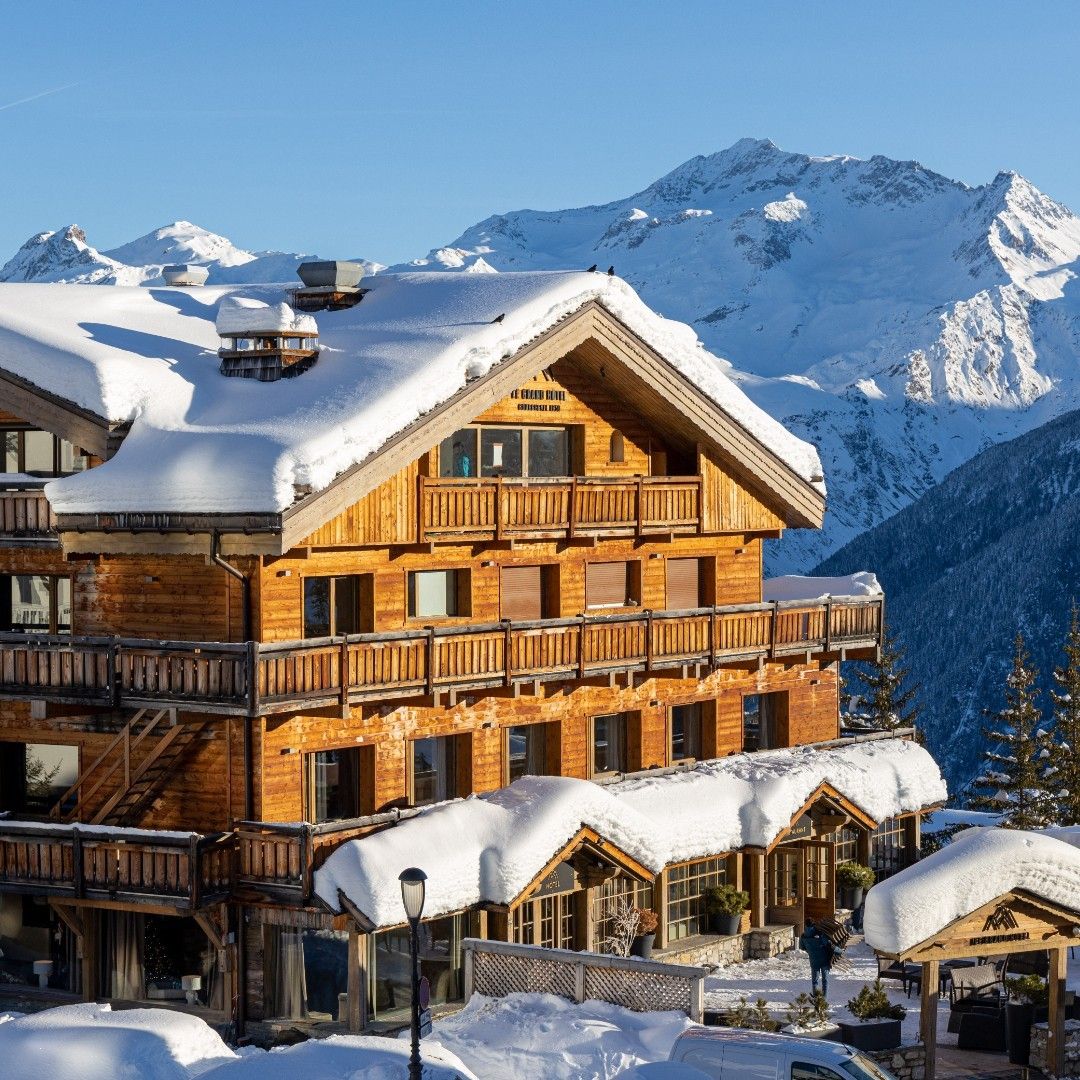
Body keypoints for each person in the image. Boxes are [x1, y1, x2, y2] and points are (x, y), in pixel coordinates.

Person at [799, 920, 835, 996]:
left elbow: (802, 947)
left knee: (815, 981)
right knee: (825, 981)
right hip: (825, 960)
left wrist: (810, 951)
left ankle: (815, 999)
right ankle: (824, 999)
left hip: (814, 961)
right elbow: (829, 945)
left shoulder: (803, 936)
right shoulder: (821, 935)